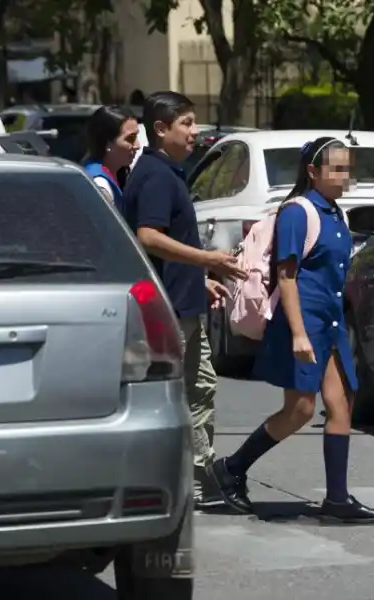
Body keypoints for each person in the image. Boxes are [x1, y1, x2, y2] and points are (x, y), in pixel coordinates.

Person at [208, 136, 374, 523]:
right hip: (303, 323)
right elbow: (286, 277)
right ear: (312, 172)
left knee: (342, 406)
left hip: (332, 324)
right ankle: (230, 469)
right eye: (336, 169)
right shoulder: (297, 212)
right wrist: (300, 333)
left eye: (346, 169)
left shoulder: (336, 213)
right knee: (300, 410)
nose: (344, 176)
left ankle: (337, 499)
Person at [120, 91, 247, 507]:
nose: (195, 132)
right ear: (160, 129)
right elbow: (149, 236)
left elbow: (168, 241)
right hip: (169, 311)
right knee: (180, 396)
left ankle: (198, 483)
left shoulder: (166, 172)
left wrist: (199, 277)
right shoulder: (156, 175)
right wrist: (208, 259)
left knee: (200, 389)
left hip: (184, 302)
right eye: (187, 123)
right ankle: (186, 485)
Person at [82, 105, 140, 207]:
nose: (137, 145)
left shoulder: (118, 175)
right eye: (130, 139)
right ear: (108, 143)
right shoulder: (99, 185)